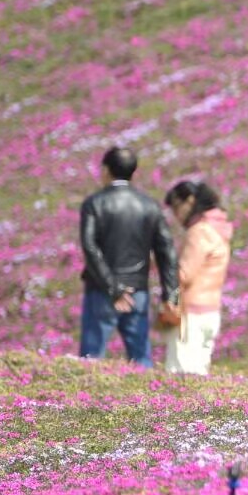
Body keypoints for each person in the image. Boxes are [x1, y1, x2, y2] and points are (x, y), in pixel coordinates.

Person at [78, 146, 178, 367]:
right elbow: (167, 252)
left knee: (91, 359)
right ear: (133, 173)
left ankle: (86, 401)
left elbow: (90, 248)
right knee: (141, 358)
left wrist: (113, 288)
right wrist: (170, 296)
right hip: (137, 293)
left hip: (101, 292)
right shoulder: (149, 206)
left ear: (105, 170)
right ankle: (149, 401)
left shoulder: (94, 204)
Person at [163, 180, 235, 376]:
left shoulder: (200, 231)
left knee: (180, 374)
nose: (176, 215)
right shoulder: (218, 230)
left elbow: (185, 274)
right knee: (199, 375)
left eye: (177, 207)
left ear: (191, 201)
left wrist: (163, 265)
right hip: (210, 311)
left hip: (191, 314)